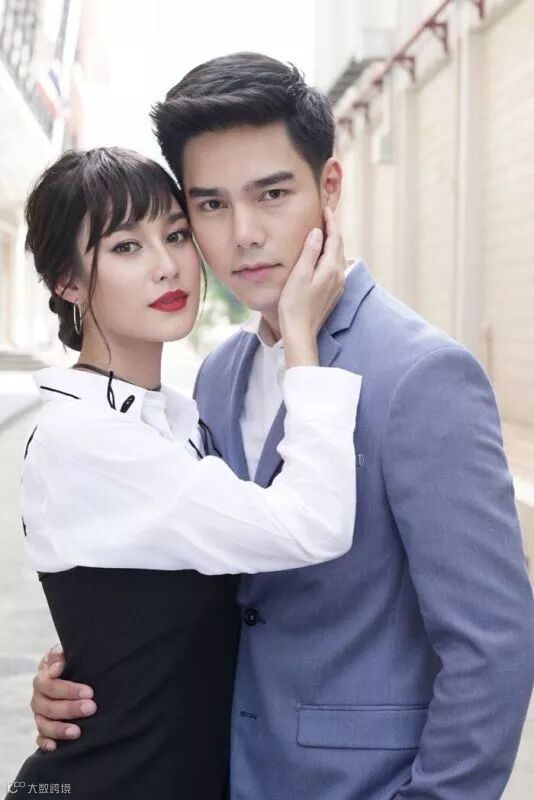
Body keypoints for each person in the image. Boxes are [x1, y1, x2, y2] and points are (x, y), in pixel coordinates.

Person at [31, 54, 534, 799]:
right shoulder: (218, 375)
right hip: (224, 774)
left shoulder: (421, 375)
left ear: (329, 188)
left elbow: (494, 644)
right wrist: (90, 666)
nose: (244, 234)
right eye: (210, 206)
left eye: (272, 194)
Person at [9, 145, 362, 799]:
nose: (167, 265)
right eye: (125, 247)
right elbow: (313, 525)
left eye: (175, 235)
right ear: (68, 282)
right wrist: (301, 339)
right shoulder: (85, 437)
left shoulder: (179, 417)